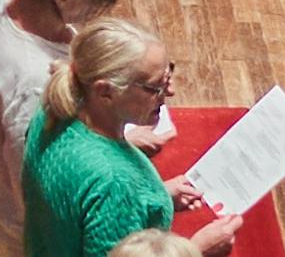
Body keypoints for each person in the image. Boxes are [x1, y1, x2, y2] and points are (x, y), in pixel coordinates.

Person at [0, 0, 137, 257]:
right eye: (96, 2)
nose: (96, 12)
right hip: (19, 239)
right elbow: (36, 193)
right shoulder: (34, 84)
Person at [24, 22, 236, 257]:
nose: (170, 91)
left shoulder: (54, 108)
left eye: (168, 75)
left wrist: (154, 197)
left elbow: (80, 200)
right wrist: (196, 250)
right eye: (154, 87)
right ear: (105, 92)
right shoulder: (115, 185)